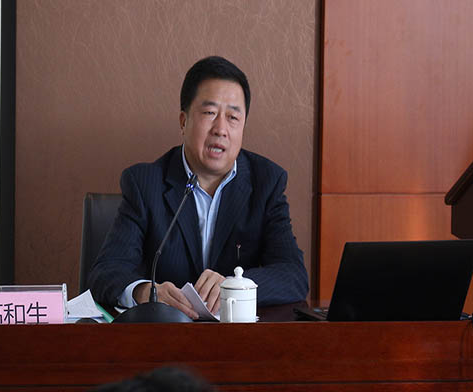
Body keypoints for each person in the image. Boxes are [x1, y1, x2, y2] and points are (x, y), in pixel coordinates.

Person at [88, 56, 308, 319]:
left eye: (233, 117)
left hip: (239, 338)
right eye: (209, 113)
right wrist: (146, 292)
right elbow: (106, 271)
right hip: (166, 336)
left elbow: (293, 275)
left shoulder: (266, 182)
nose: (221, 129)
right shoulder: (145, 183)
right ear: (184, 121)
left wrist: (235, 286)